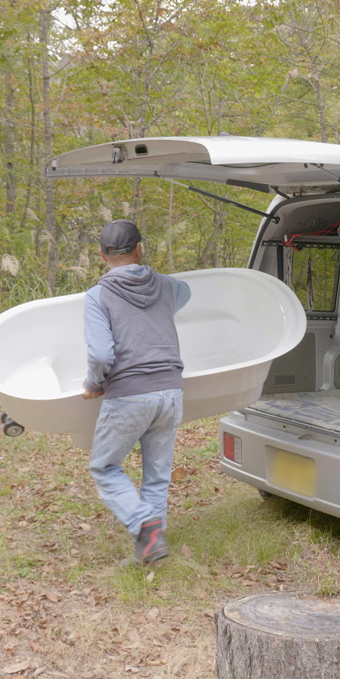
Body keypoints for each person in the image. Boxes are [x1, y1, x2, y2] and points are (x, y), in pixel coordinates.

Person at [82, 219, 191, 565]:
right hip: (171, 391)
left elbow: (100, 354)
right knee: (157, 476)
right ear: (140, 249)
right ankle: (149, 549)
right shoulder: (167, 287)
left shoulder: (97, 296)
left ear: (101, 255)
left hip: (130, 394)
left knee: (105, 467)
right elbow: (186, 291)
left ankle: (144, 526)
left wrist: (93, 384)